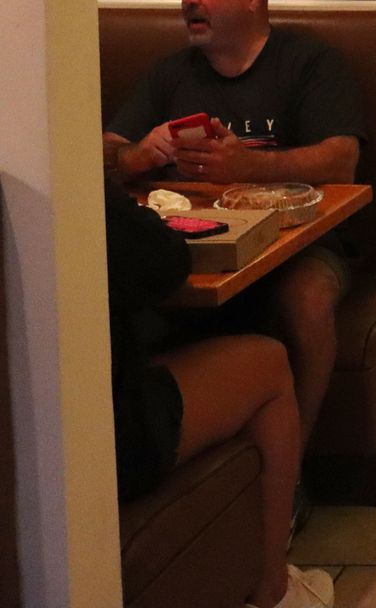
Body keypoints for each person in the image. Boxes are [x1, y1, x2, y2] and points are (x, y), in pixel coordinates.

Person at [102, 0, 362, 469]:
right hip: (189, 244)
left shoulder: (309, 62)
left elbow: (341, 159)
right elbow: (104, 155)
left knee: (308, 299)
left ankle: (292, 474)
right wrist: (138, 155)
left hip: (298, 243)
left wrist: (249, 167)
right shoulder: (169, 74)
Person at [107, 186, 332, 608]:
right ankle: (273, 592)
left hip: (34, 439)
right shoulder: (67, 185)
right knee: (269, 365)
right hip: (100, 440)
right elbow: (164, 260)